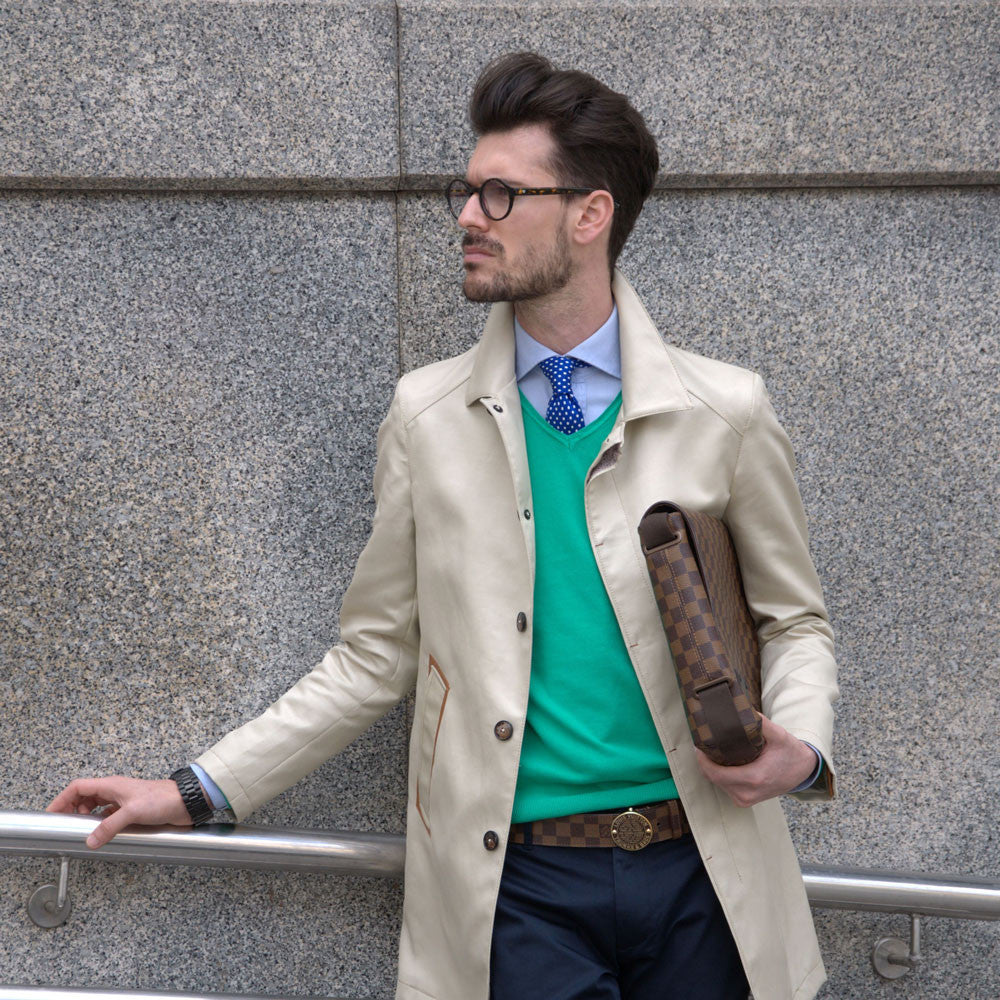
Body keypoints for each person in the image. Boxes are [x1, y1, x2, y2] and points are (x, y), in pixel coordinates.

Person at [48, 52, 838, 1000]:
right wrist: (196, 789)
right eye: (465, 191)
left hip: (706, 875)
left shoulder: (725, 411)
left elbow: (795, 619)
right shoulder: (427, 418)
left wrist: (800, 746)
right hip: (519, 890)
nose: (468, 216)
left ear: (590, 215)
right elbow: (374, 655)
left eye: (501, 194)